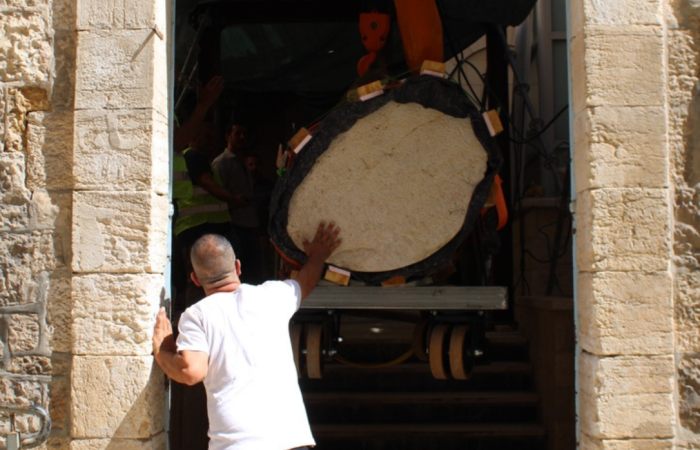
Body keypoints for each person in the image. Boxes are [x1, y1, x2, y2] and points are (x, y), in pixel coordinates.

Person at [153, 222, 341, 450]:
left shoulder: (197, 315)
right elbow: (306, 282)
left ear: (194, 278)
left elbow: (191, 371)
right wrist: (318, 255)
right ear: (238, 267)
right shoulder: (273, 296)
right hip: (292, 441)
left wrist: (163, 350)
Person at [212, 121, 265, 284]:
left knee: (253, 272)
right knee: (237, 271)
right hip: (233, 226)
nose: (242, 137)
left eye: (244, 134)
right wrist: (233, 202)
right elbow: (215, 194)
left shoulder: (242, 161)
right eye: (237, 134)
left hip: (249, 225)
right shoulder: (222, 163)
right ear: (228, 137)